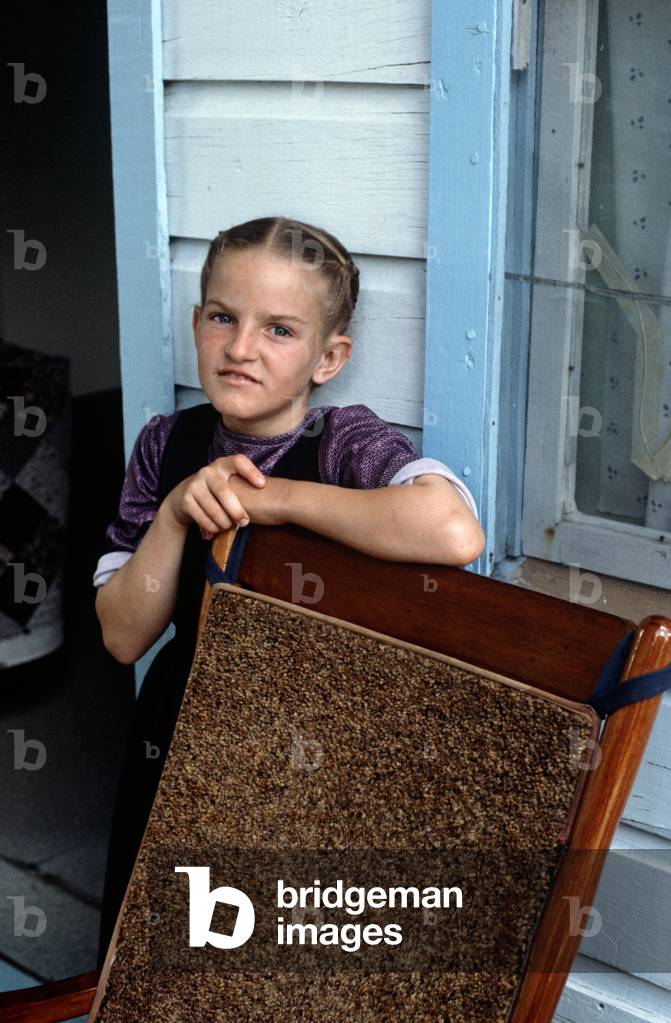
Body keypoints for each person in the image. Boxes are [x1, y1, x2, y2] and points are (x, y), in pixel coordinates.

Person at [92, 215, 485, 968]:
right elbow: (121, 635)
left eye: (278, 329)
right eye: (222, 317)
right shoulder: (166, 444)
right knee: (158, 956)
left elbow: (451, 531)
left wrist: (269, 502)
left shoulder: (343, 443)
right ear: (197, 320)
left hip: (310, 754)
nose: (240, 348)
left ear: (328, 356)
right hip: (180, 735)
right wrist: (178, 510)